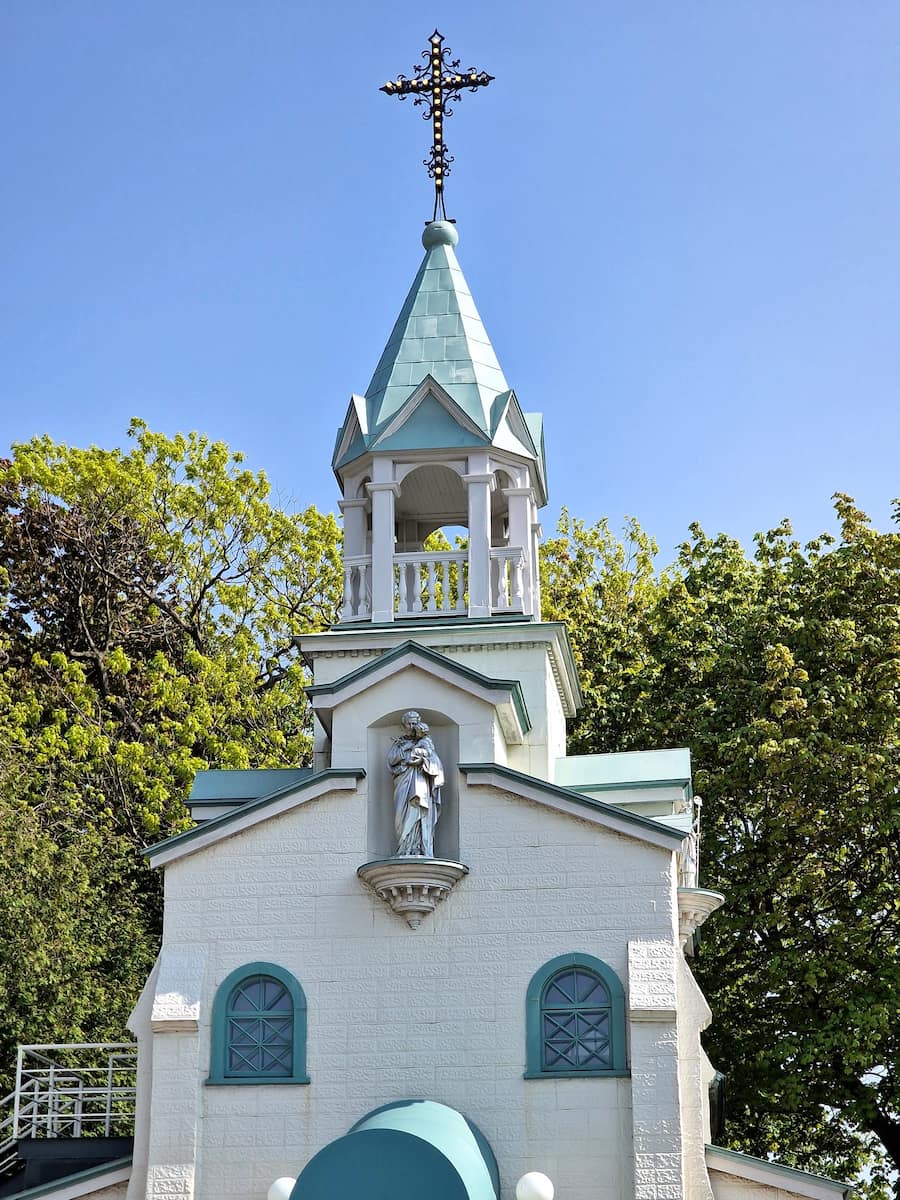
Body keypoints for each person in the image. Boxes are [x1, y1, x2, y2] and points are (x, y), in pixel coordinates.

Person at [387, 710, 444, 857]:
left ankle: (419, 847)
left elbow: (436, 763)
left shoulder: (426, 742)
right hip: (403, 783)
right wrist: (405, 749)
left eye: (414, 723)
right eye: (409, 723)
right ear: (404, 725)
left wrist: (423, 760)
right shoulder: (400, 743)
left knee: (419, 809)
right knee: (401, 815)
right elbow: (391, 760)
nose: (412, 726)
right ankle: (404, 847)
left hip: (420, 783)